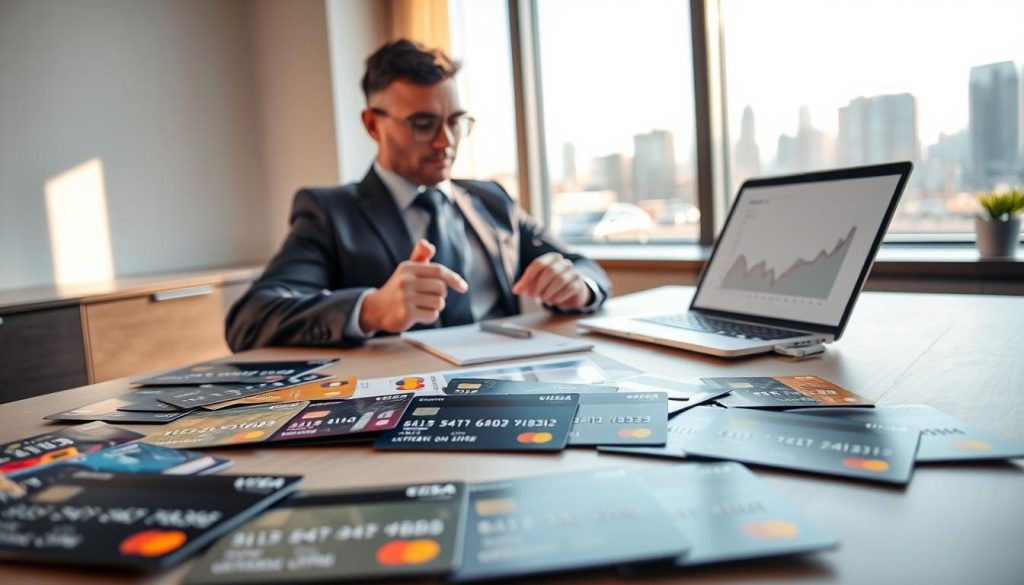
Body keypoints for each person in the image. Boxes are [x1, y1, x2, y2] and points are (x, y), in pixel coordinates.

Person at [225, 39, 611, 351]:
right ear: (373, 125)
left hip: (513, 385)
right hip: (404, 402)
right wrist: (371, 309)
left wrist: (577, 285)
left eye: (455, 122)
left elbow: (583, 266)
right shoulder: (330, 213)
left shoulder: (491, 200)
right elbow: (250, 319)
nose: (446, 141)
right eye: (424, 124)